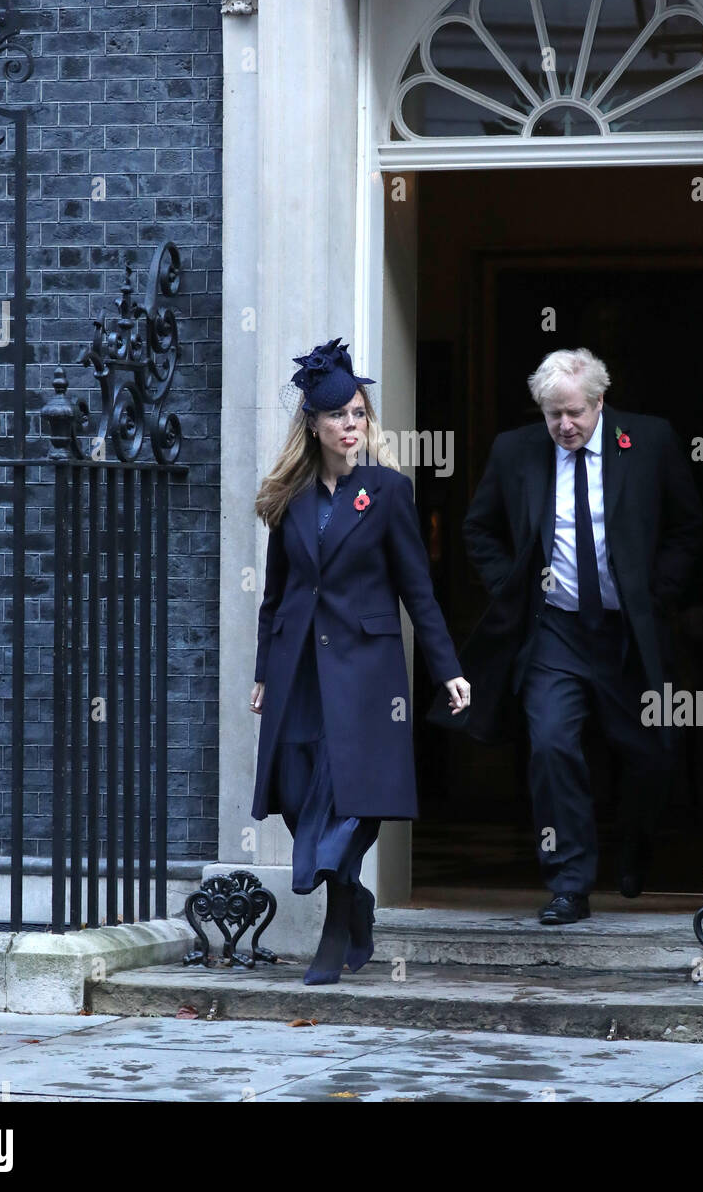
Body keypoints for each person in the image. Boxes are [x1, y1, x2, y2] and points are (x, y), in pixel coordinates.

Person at [455, 347, 703, 924]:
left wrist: (657, 594)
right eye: (552, 415)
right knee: (551, 745)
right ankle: (568, 881)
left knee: (652, 753)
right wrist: (514, 587)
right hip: (555, 631)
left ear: (599, 402)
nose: (564, 426)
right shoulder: (515, 452)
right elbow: (478, 528)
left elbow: (687, 526)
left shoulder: (650, 441)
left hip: (630, 632)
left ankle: (639, 843)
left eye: (574, 413)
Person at [250, 337, 471, 982]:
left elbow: (417, 591)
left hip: (367, 670)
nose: (351, 425)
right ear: (313, 424)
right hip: (297, 669)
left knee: (352, 798)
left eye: (359, 413)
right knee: (296, 790)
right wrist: (265, 669)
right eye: (338, 415)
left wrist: (448, 667)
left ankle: (337, 923)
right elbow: (275, 595)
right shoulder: (288, 498)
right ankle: (358, 900)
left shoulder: (389, 491)